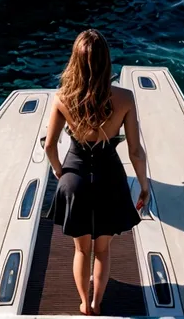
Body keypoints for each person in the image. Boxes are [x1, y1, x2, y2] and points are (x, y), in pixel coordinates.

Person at [45, 29, 150, 316]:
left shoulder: (62, 99)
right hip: (110, 180)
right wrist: (143, 186)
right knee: (102, 250)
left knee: (81, 251)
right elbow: (135, 152)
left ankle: (83, 304)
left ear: (74, 62)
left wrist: (59, 172)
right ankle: (97, 302)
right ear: (107, 61)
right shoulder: (125, 98)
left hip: (73, 178)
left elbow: (51, 146)